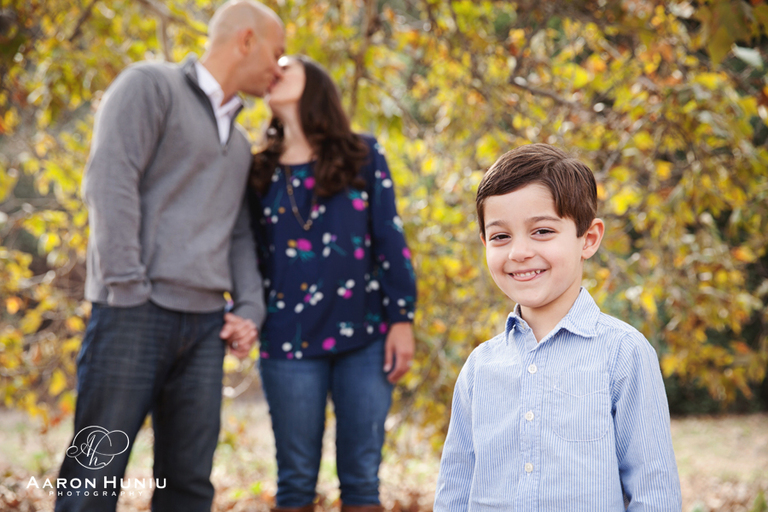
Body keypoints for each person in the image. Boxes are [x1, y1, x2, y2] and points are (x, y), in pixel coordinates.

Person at [55, 2, 285, 511]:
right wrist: (129, 289)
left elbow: (240, 234)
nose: (280, 66)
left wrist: (249, 308)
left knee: (188, 486)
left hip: (204, 328)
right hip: (132, 313)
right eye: (278, 51)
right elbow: (110, 182)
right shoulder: (149, 86)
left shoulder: (242, 145)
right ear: (246, 40)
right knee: (93, 479)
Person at [433, 144, 681, 511]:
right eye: (501, 236)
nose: (519, 251)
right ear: (484, 243)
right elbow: (453, 493)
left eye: (542, 231)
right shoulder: (478, 369)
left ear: (589, 238)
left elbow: (654, 493)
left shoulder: (623, 354)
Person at [249, 55, 417, 512]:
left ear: (315, 85)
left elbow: (390, 240)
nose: (274, 70)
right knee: (295, 481)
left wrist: (402, 318)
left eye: (287, 66)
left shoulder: (363, 155)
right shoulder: (258, 171)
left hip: (364, 337)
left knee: (361, 481)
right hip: (286, 341)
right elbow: (247, 257)